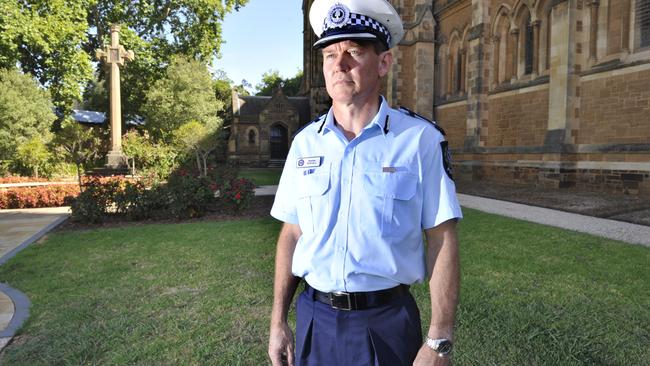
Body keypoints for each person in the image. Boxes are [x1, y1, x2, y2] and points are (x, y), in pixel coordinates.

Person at [268, 0, 462, 365]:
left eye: (354, 52)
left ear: (384, 62)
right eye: (329, 54)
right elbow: (292, 233)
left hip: (386, 323)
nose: (339, 65)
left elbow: (441, 238)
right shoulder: (304, 143)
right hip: (315, 319)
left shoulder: (419, 141)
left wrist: (439, 339)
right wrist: (278, 320)